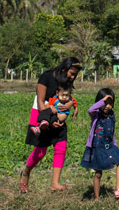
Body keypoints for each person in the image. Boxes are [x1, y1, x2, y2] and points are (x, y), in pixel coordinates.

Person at [20, 57, 82, 193]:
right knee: (40, 151)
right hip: (42, 115)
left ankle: (55, 184)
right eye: (72, 73)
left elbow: (68, 98)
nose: (73, 77)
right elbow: (41, 103)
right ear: (64, 69)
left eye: (75, 75)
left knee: (61, 146)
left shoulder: (66, 81)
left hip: (58, 115)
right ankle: (26, 172)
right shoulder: (46, 77)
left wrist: (69, 104)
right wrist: (51, 119)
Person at [80, 87, 119, 200]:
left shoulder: (111, 115)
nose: (108, 106)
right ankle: (96, 198)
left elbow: (112, 132)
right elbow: (90, 109)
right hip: (98, 146)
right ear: (100, 102)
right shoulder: (96, 114)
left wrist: (115, 144)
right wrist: (103, 101)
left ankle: (118, 188)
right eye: (105, 103)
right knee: (98, 173)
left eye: (110, 103)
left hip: (110, 144)